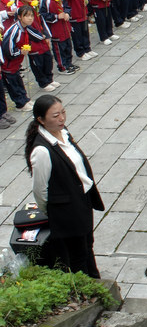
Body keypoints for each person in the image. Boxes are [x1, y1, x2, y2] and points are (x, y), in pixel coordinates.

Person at [28, 95, 104, 278]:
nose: (61, 118)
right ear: (41, 120)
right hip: (66, 210)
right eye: (55, 116)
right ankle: (85, 288)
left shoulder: (63, 133)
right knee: (77, 253)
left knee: (87, 245)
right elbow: (40, 190)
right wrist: (55, 211)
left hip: (82, 200)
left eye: (63, 112)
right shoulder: (42, 151)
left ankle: (94, 280)